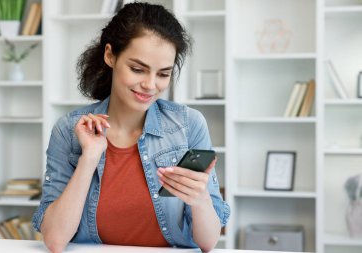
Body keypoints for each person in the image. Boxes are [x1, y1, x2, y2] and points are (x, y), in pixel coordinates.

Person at [32, 2, 230, 253]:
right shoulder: (69, 130)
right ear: (110, 55)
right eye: (138, 69)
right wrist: (89, 158)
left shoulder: (188, 125)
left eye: (163, 74)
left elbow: (208, 242)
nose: (150, 85)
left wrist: (200, 199)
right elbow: (55, 241)